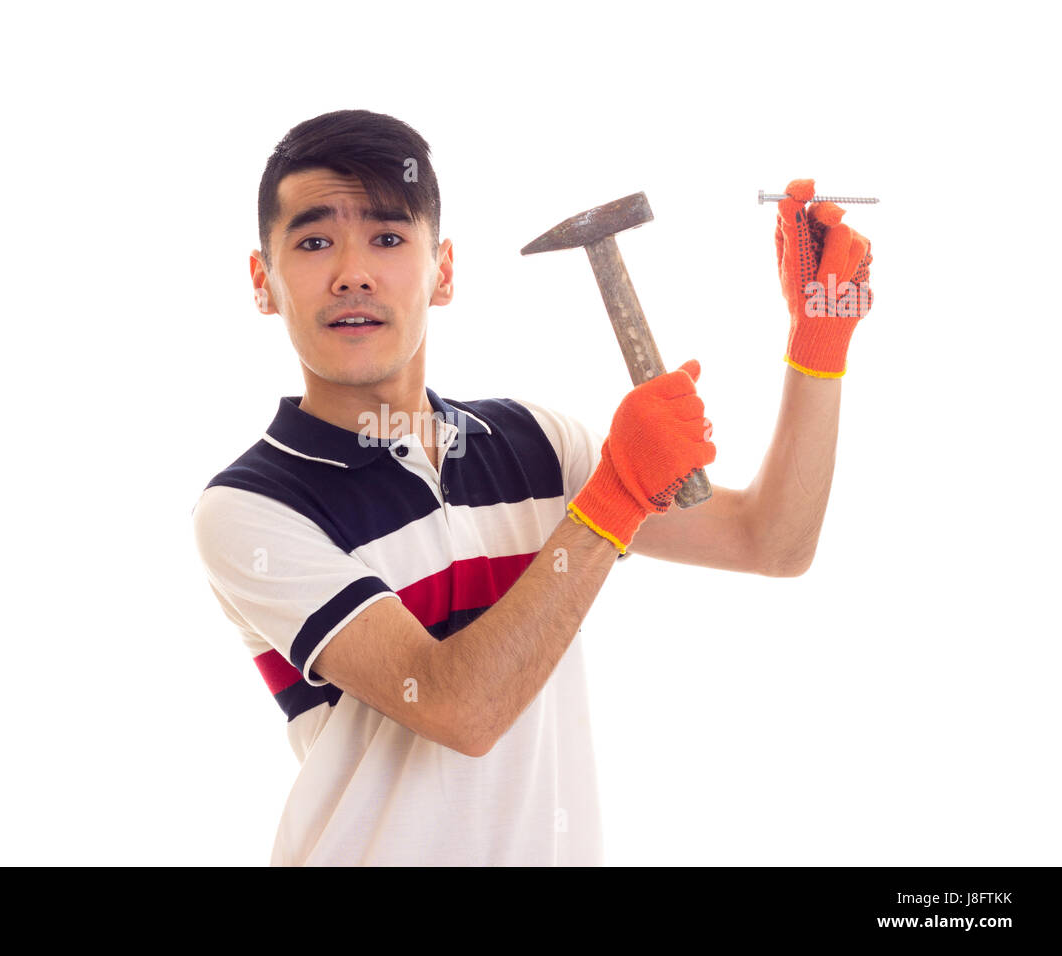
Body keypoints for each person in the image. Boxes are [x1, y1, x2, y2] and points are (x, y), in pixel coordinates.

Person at [192, 109, 873, 866]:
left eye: (389, 238)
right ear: (264, 283)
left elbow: (770, 543)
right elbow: (456, 705)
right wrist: (615, 491)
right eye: (314, 241)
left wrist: (820, 340)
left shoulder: (537, 446)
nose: (353, 271)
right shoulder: (251, 509)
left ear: (442, 271)